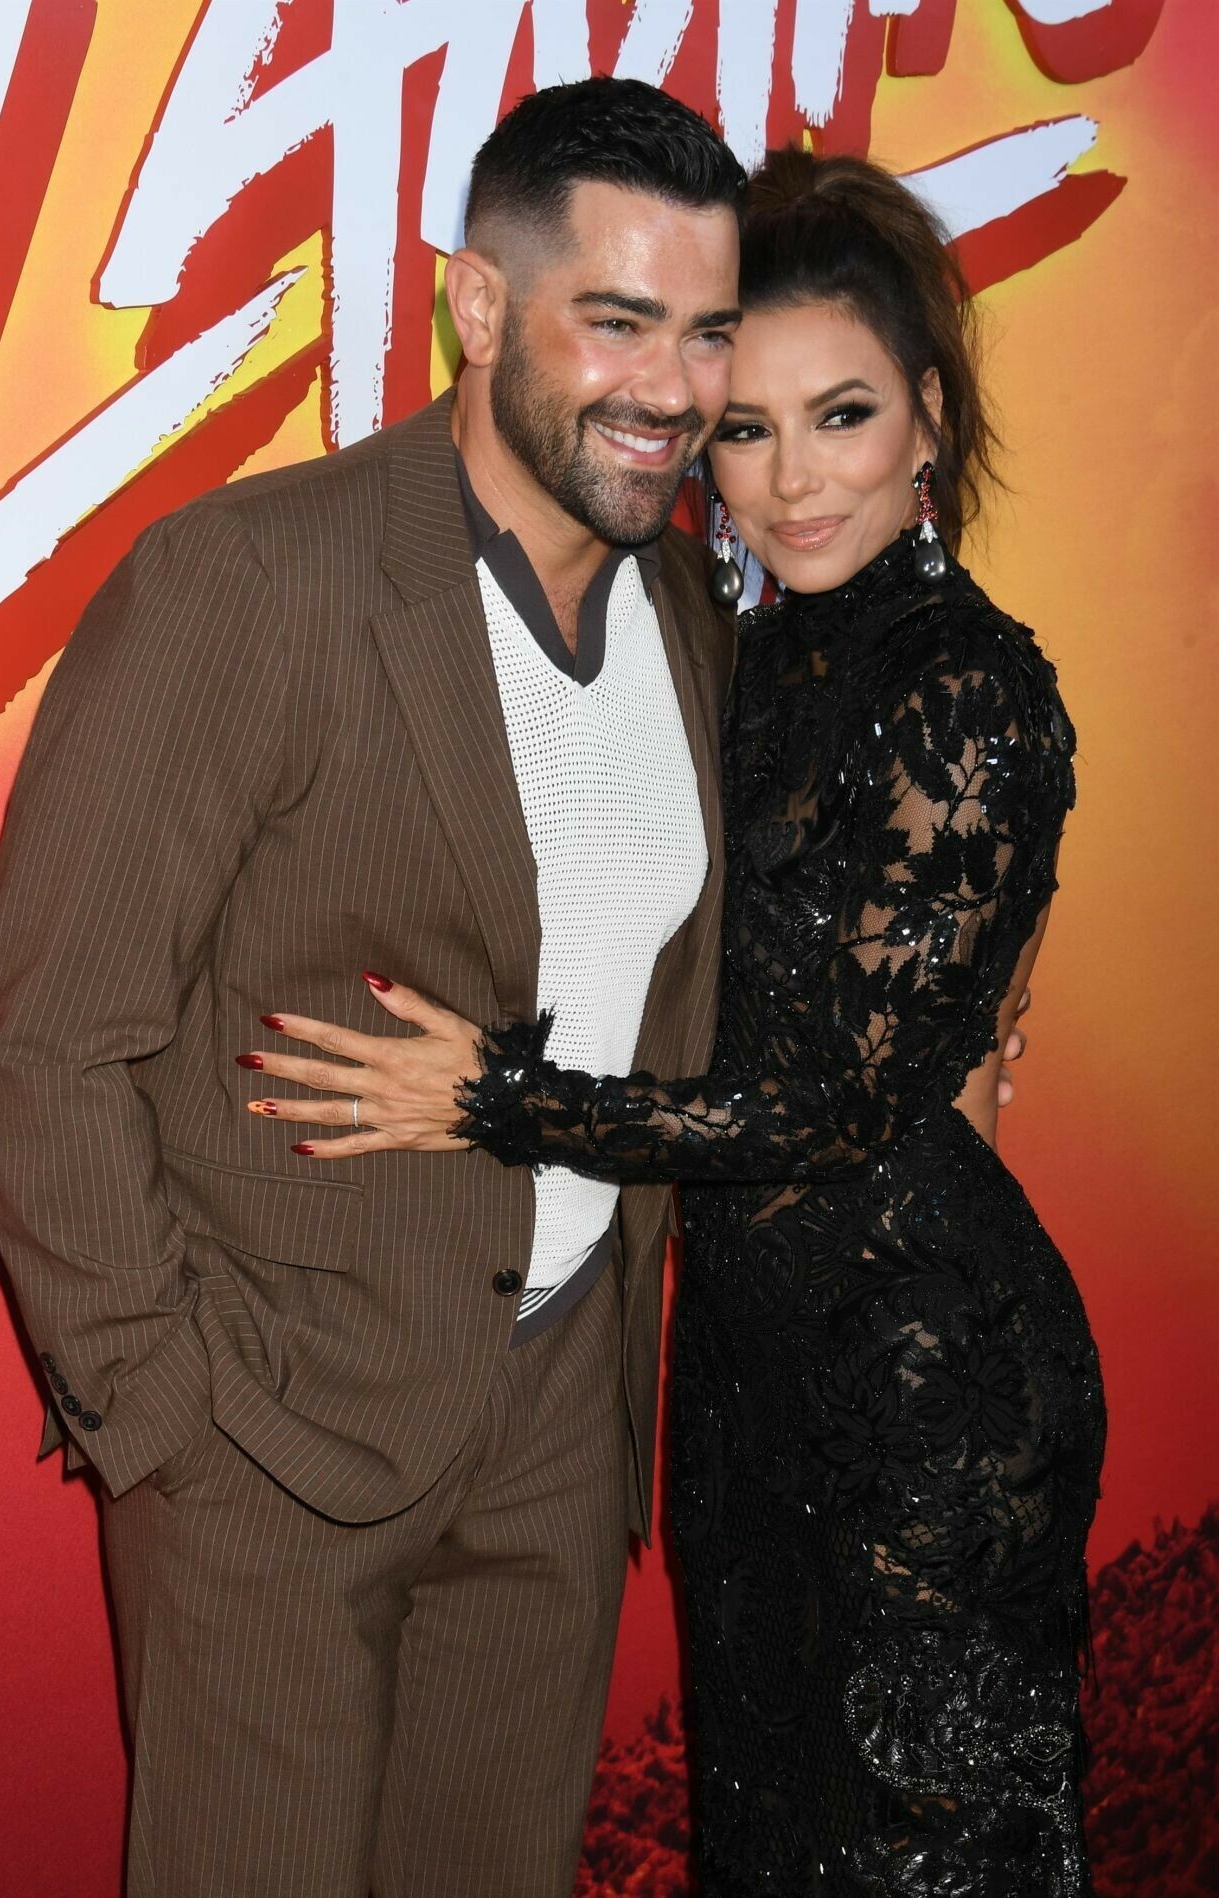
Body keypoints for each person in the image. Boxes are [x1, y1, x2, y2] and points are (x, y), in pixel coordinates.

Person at [257, 149, 1105, 1895]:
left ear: (930, 419)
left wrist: (497, 1097)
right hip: (738, 1383)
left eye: (843, 416)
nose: (791, 480)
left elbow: (824, 1105)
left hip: (925, 1391)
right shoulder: (741, 652)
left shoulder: (970, 686)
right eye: (746, 429)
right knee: (766, 1839)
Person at [0, 78, 747, 1898]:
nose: (674, 387)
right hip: (273, 1445)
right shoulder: (252, 579)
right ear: (480, 304)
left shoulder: (689, 614)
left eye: (708, 331)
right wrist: (170, 1421)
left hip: (560, 1431)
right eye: (617, 320)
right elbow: (46, 1036)